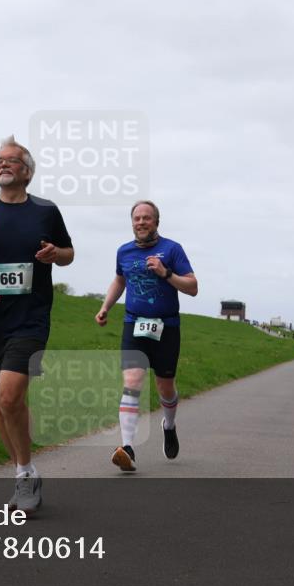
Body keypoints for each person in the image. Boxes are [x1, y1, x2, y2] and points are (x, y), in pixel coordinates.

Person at [0, 136, 73, 513]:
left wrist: (55, 254)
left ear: (27, 172)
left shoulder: (45, 212)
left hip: (31, 320)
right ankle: (26, 472)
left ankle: (23, 475)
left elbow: (68, 254)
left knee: (9, 395)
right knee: (1, 404)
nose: (2, 165)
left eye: (11, 161)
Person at [95, 201, 197, 472]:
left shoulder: (172, 249)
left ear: (156, 222)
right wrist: (105, 307)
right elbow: (120, 280)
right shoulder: (124, 251)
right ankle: (127, 448)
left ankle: (169, 425)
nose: (141, 222)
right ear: (132, 222)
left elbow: (193, 287)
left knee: (165, 387)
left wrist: (166, 273)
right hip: (134, 324)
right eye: (137, 218)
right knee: (132, 381)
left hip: (167, 327)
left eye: (147, 218)